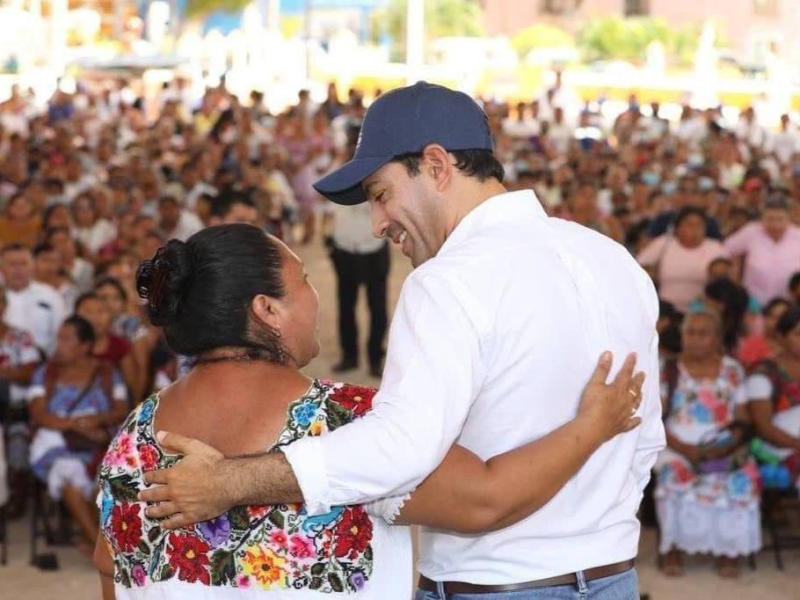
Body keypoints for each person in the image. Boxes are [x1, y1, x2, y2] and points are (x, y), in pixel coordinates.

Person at [139, 82, 664, 598]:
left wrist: (229, 482)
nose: (377, 224)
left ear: (436, 166)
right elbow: (644, 439)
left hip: (498, 583)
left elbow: (398, 450)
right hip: (613, 575)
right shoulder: (612, 260)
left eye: (381, 195)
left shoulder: (448, 281)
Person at [94, 224, 643, 598]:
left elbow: (108, 571)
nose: (314, 296)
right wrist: (593, 425)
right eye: (303, 280)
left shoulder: (135, 437)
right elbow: (489, 500)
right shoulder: (347, 421)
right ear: (267, 310)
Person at [656, 309, 760, 579]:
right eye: (691, 333)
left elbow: (743, 419)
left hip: (723, 444)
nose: (696, 339)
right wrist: (688, 450)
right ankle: (673, 549)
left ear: (716, 338)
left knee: (742, 476)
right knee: (673, 475)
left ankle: (728, 550)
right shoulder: (668, 369)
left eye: (704, 334)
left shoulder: (733, 370)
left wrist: (725, 448)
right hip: (677, 444)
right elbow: (656, 419)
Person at [29, 316, 127, 553]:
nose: (58, 344)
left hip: (99, 442)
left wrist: (96, 420)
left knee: (108, 478)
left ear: (85, 346)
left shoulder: (107, 372)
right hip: (57, 443)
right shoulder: (45, 373)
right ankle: (103, 550)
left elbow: (121, 408)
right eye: (58, 337)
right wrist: (76, 425)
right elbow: (39, 414)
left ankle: (99, 541)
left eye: (66, 339)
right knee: (69, 474)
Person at [322, 200, 390, 377]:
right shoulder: (337, 178)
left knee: (377, 308)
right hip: (344, 251)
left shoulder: (377, 179)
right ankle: (349, 357)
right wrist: (327, 239)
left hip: (375, 251)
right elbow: (327, 211)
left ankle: (375, 359)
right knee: (346, 307)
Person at [746, 307, 800, 491]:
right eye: (798, 334)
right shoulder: (764, 373)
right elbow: (764, 427)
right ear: (781, 337)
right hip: (777, 450)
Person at [0, 283, 42, 517]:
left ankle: (14, 498)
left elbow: (30, 372)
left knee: (18, 444)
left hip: (16, 411)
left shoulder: (19, 337)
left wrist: (4, 375)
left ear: (4, 306)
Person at [637, 206, 727, 313]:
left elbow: (728, 275)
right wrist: (650, 274)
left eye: (699, 225)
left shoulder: (715, 247)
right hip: (665, 310)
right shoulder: (664, 243)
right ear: (678, 227)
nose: (694, 229)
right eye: (689, 224)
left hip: (702, 311)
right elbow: (638, 265)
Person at [724, 194, 800, 305]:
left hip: (789, 303)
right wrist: (735, 267)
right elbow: (726, 249)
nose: (775, 225)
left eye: (780, 219)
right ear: (762, 218)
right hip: (753, 302)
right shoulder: (751, 231)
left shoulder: (797, 235)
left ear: (789, 218)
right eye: (770, 219)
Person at [0, 244, 66, 356]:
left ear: (32, 266)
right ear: (1, 268)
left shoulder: (51, 296)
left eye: (24, 264)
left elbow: (61, 334)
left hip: (40, 365)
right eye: (12, 264)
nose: (18, 270)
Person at [75, 292, 142, 401]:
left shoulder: (120, 346)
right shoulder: (71, 346)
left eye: (101, 312)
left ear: (110, 316)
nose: (95, 318)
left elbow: (133, 387)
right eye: (88, 312)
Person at [738, 298, 791, 369]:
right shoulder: (754, 342)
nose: (777, 322)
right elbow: (745, 370)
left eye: (782, 317)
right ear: (765, 318)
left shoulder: (794, 347)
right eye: (772, 316)